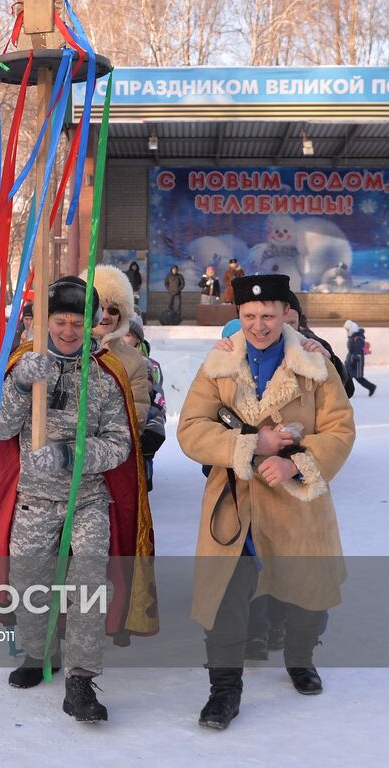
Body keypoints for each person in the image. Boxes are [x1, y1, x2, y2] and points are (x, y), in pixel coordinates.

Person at [177, 273, 355, 729]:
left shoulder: (315, 366)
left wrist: (298, 464)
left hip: (296, 501)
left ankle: (300, 658)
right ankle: (224, 689)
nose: (259, 325)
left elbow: (340, 429)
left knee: (306, 591)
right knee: (226, 594)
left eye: (269, 315)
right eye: (250, 315)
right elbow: (192, 428)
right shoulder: (218, 365)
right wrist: (250, 446)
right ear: (238, 315)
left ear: (285, 315)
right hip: (234, 502)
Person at [0, 276, 137, 723]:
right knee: (30, 582)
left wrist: (73, 455)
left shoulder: (105, 375)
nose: (69, 330)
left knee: (88, 585)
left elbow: (120, 444)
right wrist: (18, 387)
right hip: (33, 498)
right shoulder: (24, 364)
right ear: (44, 321)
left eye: (78, 322)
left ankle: (80, 678)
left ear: (92, 324)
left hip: (88, 497)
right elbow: (0, 431)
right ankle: (38, 654)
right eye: (60, 320)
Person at [82, 265, 150, 435]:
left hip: (114, 452)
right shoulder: (67, 349)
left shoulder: (133, 359)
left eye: (112, 310)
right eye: (98, 308)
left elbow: (137, 416)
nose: (105, 316)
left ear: (122, 315)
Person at [121, 315, 166, 492]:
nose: (123, 340)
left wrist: (151, 431)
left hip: (141, 435)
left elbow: (157, 400)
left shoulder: (149, 366)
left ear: (138, 340)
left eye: (128, 335)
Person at [344, 319, 376, 396]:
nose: (347, 331)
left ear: (351, 329)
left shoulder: (358, 338)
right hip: (351, 360)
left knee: (358, 377)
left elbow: (358, 350)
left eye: (348, 329)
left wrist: (355, 360)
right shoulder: (353, 337)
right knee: (347, 376)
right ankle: (345, 392)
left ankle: (371, 387)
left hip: (356, 361)